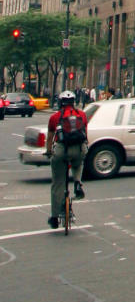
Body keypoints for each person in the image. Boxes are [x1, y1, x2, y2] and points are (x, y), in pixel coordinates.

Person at [47, 91, 88, 228]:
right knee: (79, 162)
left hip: (61, 150)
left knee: (57, 182)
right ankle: (77, 182)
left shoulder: (55, 117)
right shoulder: (81, 115)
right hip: (78, 149)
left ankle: (53, 218)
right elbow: (85, 135)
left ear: (60, 102)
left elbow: (50, 138)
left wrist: (48, 152)